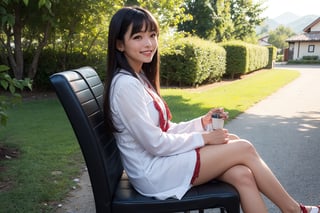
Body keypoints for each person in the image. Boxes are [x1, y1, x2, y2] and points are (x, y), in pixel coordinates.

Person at [103, 6, 319, 213]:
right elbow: (156, 143)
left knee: (241, 173)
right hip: (154, 173)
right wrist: (204, 138)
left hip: (160, 164)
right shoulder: (126, 86)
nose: (149, 43)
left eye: (152, 35)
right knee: (243, 147)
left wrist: (202, 123)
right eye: (138, 37)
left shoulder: (138, 78)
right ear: (120, 44)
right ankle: (292, 209)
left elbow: (165, 129)